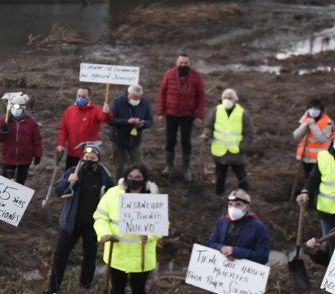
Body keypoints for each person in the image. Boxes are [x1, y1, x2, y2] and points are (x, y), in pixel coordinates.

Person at [94, 164, 163, 294]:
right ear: (125, 177)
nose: (134, 180)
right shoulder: (113, 194)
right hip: (117, 252)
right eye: (131, 176)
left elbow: (161, 224)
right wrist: (104, 234)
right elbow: (100, 216)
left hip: (142, 256)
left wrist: (150, 236)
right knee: (116, 288)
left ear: (144, 179)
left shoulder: (153, 198)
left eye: (138, 177)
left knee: (139, 290)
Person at [45, 143, 114, 294]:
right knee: (60, 256)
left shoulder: (105, 176)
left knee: (89, 256)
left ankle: (85, 285)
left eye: (92, 157)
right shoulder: (73, 171)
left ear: (98, 159)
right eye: (86, 157)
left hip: (93, 224)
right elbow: (58, 191)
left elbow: (114, 195)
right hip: (71, 223)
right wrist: (69, 181)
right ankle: (53, 288)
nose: (88, 160)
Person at [158, 53, 206, 181]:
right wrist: (160, 112)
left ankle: (186, 169)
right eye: (181, 63)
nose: (183, 65)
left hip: (188, 115)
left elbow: (201, 97)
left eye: (186, 63)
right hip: (171, 113)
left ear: (189, 64)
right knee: (170, 140)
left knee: (186, 142)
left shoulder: (196, 76)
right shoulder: (169, 74)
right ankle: (169, 166)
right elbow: (162, 93)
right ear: (177, 63)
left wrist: (199, 115)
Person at [0, 92, 43, 185]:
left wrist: (38, 154)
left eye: (18, 108)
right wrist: (2, 131)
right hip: (9, 158)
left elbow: (37, 139)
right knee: (6, 183)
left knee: (20, 183)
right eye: (14, 108)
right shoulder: (5, 120)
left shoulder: (31, 122)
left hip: (24, 159)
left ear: (23, 108)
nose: (16, 110)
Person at [209, 88, 252, 196]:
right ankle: (219, 197)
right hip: (220, 153)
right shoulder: (216, 110)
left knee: (242, 178)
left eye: (229, 98)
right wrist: (206, 135)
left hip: (236, 154)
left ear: (235, 100)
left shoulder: (242, 113)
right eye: (225, 98)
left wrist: (243, 147)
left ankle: (244, 197)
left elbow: (249, 133)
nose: (227, 100)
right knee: (220, 177)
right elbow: (209, 127)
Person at [56, 85, 111, 168]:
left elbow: (104, 118)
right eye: (79, 96)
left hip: (89, 154)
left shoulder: (96, 110)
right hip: (72, 152)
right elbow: (63, 129)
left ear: (89, 97)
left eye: (83, 96)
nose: (80, 98)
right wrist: (61, 144)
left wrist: (107, 113)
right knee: (70, 175)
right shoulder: (70, 110)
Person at [107, 83, 153, 177]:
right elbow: (110, 120)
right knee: (119, 167)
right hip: (118, 139)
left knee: (139, 165)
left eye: (138, 98)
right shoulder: (117, 102)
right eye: (134, 98)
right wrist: (127, 121)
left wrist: (143, 124)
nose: (136, 100)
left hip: (135, 140)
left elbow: (150, 120)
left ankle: (137, 186)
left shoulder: (144, 103)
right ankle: (119, 187)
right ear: (128, 94)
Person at [293, 98, 334, 178]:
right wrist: (305, 125)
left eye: (316, 109)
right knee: (308, 178)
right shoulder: (305, 119)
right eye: (311, 108)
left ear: (321, 111)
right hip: (306, 156)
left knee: (317, 179)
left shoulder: (328, 123)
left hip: (319, 158)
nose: (313, 111)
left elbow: (321, 140)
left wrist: (313, 125)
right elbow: (296, 136)